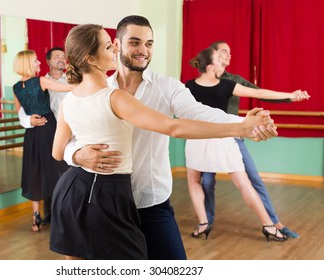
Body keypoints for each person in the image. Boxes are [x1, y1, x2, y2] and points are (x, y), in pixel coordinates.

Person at [62, 15, 277, 260]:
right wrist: (78, 155)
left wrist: (244, 124)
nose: (143, 50)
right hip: (104, 204)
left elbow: (199, 114)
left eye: (149, 43)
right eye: (134, 42)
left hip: (150, 201)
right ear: (116, 44)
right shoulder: (97, 89)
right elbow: (68, 141)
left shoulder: (167, 87)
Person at [184, 47, 309, 241]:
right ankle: (268, 225)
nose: (224, 60)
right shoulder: (226, 85)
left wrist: (290, 95)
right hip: (223, 135)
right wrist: (290, 95)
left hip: (197, 136)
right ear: (210, 67)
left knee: (194, 181)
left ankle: (203, 223)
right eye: (219, 58)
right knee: (243, 183)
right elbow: (260, 94)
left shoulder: (188, 86)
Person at [12, 50, 73, 232]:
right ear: (28, 63)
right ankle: (64, 212)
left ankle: (35, 217)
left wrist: (30, 121)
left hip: (32, 134)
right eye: (35, 60)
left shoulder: (16, 87)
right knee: (61, 167)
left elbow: (19, 112)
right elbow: (67, 88)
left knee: (35, 170)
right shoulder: (41, 81)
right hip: (49, 128)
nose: (39, 62)